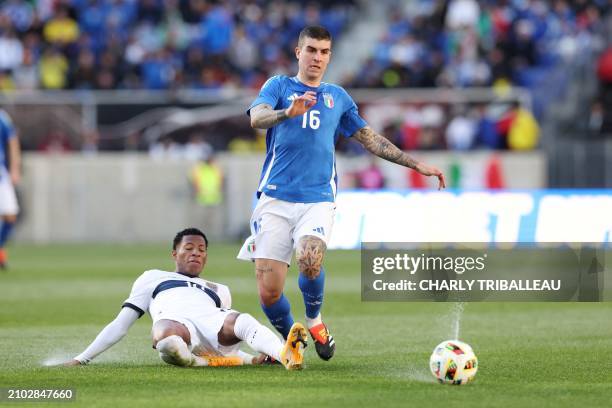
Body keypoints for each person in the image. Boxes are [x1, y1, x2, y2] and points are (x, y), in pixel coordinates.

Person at [237, 26, 446, 361]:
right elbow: (257, 119)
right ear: (298, 52)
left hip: (317, 198)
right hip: (274, 198)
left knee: (309, 257)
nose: (317, 58)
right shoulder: (278, 86)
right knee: (269, 291)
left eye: (323, 52)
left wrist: (414, 164)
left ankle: (315, 321)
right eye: (311, 50)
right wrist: (288, 113)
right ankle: (294, 340)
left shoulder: (337, 97)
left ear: (330, 56)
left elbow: (369, 138)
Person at [65, 228, 308, 370]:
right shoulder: (153, 277)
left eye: (201, 250)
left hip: (212, 324)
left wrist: (252, 357)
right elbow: (121, 324)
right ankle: (194, 361)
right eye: (189, 248)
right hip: (177, 326)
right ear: (175, 253)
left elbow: (223, 348)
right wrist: (81, 358)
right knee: (168, 339)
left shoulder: (219, 289)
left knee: (241, 320)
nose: (196, 254)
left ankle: (283, 353)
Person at [0, 109, 21, 269]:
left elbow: (12, 142)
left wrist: (14, 168)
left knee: (10, 216)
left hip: (1, 175)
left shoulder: (2, 117)